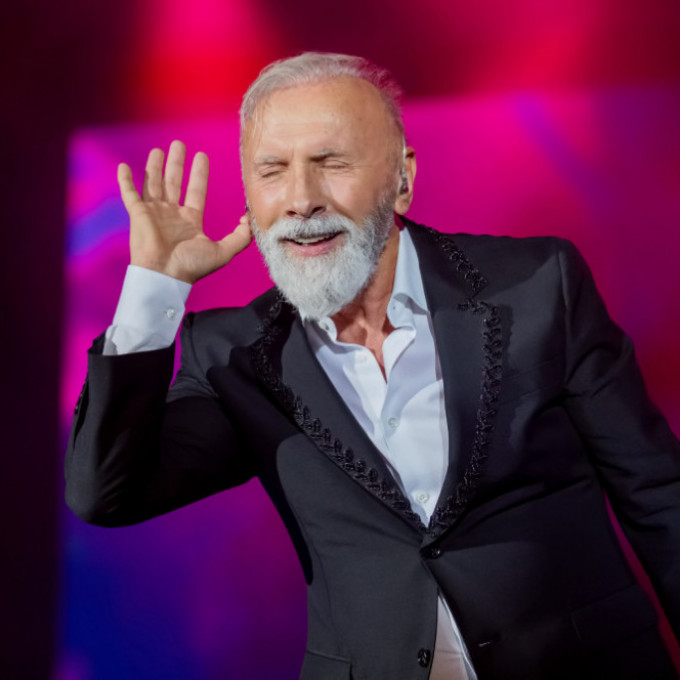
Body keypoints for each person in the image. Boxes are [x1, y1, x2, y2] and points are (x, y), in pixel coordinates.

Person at [65, 52, 680, 680]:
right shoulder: (236, 353)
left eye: (331, 163)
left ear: (401, 177)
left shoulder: (537, 286)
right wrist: (154, 289)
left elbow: (658, 496)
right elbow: (106, 492)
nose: (301, 200)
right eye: (272, 170)